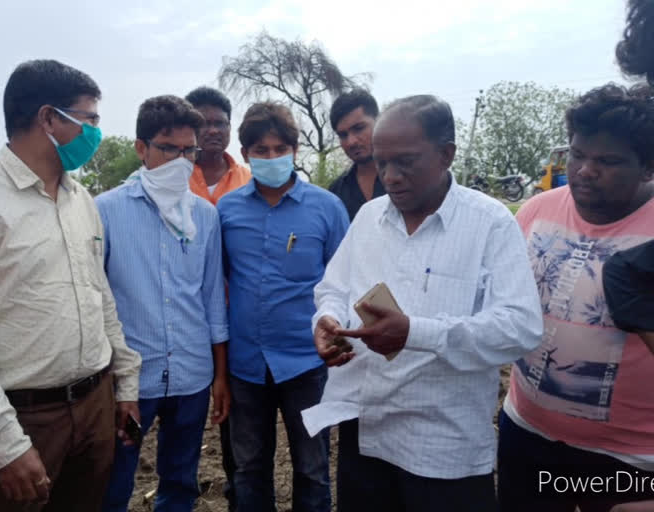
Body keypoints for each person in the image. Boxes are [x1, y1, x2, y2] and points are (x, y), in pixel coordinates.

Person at [0, 59, 142, 512]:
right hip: (24, 418)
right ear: (48, 118)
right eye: (89, 120)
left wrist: (123, 385)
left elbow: (99, 297)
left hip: (93, 405)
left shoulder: (80, 198)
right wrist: (4, 444)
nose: (96, 133)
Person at [306, 95, 543, 512]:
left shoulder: (489, 223)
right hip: (366, 430)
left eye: (406, 162)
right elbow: (334, 289)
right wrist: (326, 322)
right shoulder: (369, 219)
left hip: (443, 445)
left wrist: (415, 332)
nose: (390, 176)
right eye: (382, 163)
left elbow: (520, 327)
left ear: (446, 154)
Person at [497, 83, 654, 512]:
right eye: (578, 154)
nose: (584, 170)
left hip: (629, 459)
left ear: (647, 168)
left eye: (607, 161)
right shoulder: (536, 211)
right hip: (526, 430)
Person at [99, 95, 229, 512]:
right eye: (168, 148)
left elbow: (212, 299)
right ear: (142, 148)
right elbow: (96, 297)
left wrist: (220, 375)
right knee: (117, 477)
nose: (180, 159)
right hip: (133, 381)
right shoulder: (105, 211)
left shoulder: (204, 217)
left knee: (180, 478)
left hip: (191, 373)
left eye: (187, 150)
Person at [218, 102, 349, 512]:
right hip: (245, 365)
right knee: (248, 466)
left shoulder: (326, 208)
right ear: (245, 155)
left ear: (294, 150)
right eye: (261, 150)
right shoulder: (226, 211)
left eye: (279, 149)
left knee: (312, 467)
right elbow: (219, 280)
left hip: (306, 363)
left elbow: (344, 280)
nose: (271, 157)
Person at [184, 86, 249, 511]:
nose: (211, 130)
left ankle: (236, 485)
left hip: (237, 317)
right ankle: (180, 485)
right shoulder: (170, 174)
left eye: (219, 122)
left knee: (236, 414)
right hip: (185, 316)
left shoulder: (250, 178)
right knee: (185, 409)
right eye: (202, 122)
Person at [185, 86, 251, 206]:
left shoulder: (248, 181)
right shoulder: (176, 175)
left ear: (230, 127)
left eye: (219, 123)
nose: (213, 131)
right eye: (204, 124)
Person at [328, 88, 385, 220]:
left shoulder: (408, 177)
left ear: (379, 121)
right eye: (343, 135)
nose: (351, 141)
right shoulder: (336, 192)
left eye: (359, 128)